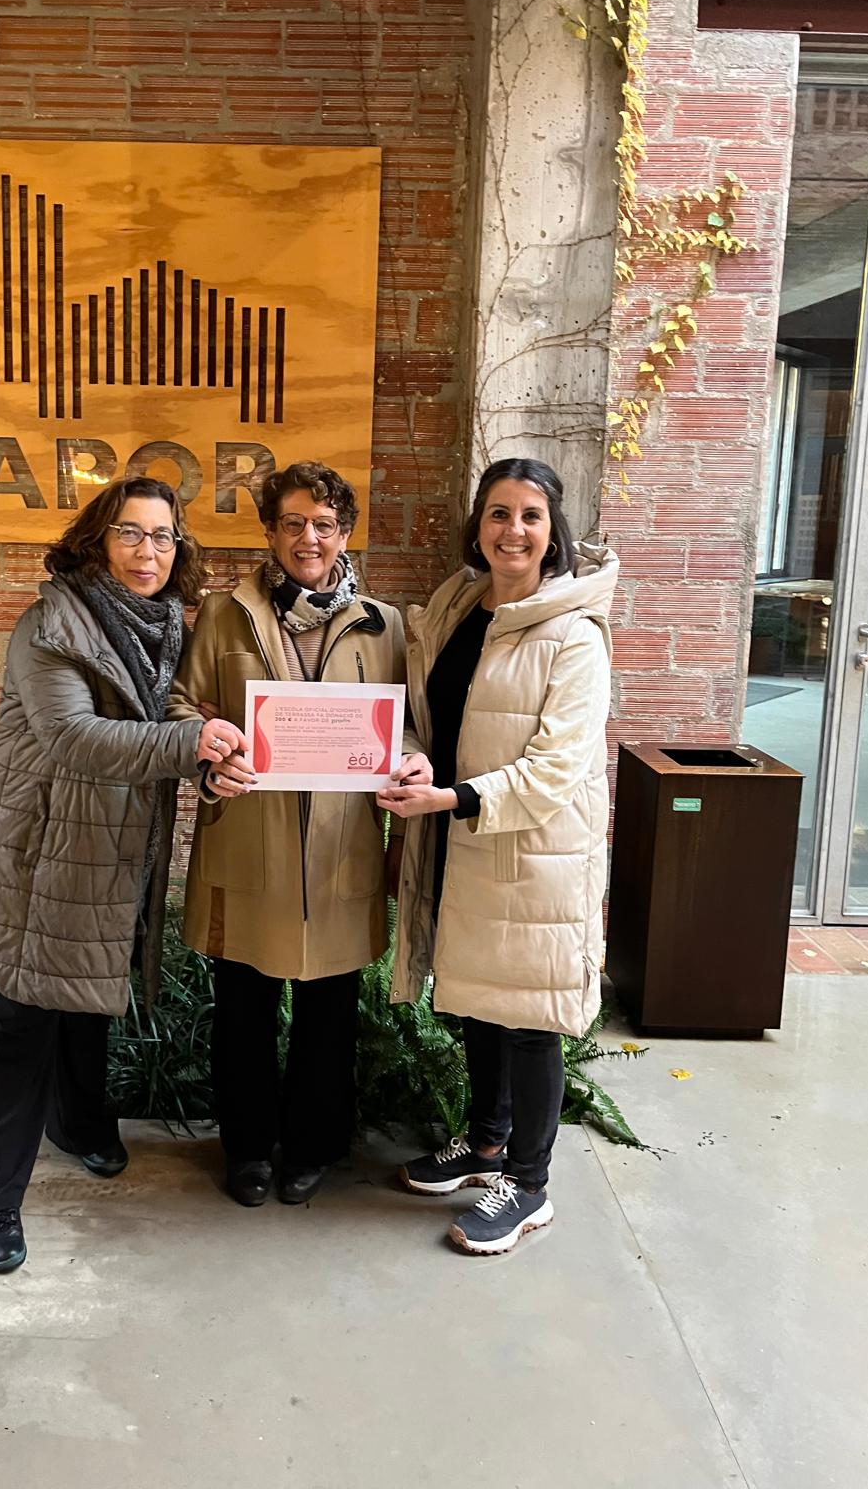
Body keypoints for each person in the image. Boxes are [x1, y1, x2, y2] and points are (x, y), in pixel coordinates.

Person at [0, 477, 246, 1273]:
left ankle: (76, 1124)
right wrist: (191, 749)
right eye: (130, 533)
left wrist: (210, 765)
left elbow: (173, 725)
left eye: (163, 536)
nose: (149, 551)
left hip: (111, 849)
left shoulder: (167, 628)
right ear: (95, 541)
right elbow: (73, 736)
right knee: (17, 1022)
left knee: (85, 998)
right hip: (33, 851)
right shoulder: (51, 625)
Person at [378, 457, 617, 1256]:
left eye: (530, 516)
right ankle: (486, 1143)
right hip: (462, 831)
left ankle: (530, 1184)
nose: (513, 530)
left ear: (554, 532)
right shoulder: (458, 608)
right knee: (479, 999)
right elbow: (428, 717)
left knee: (529, 1019)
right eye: (499, 513)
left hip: (533, 852)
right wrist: (416, 759)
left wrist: (450, 799)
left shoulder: (574, 635)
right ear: (477, 524)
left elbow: (556, 768)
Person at [168, 461, 416, 1208]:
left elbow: (405, 729)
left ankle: (312, 1148)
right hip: (250, 842)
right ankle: (246, 1149)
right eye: (295, 523)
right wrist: (210, 757)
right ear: (271, 531)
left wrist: (408, 761)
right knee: (242, 1012)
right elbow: (182, 707)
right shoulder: (225, 614)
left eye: (326, 525)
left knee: (328, 1018)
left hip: (341, 850)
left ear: (346, 533)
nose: (311, 538)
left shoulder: (383, 624)